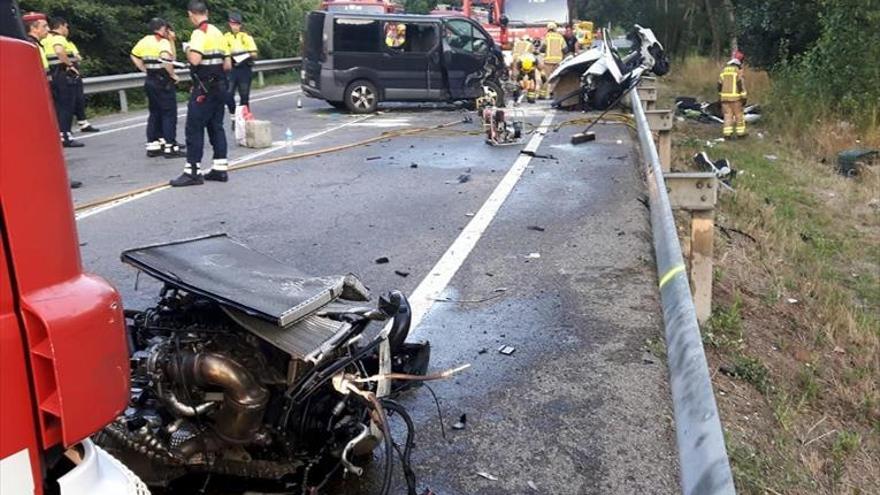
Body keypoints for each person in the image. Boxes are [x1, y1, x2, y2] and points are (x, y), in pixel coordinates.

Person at [170, 0, 232, 187]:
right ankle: (220, 169)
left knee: (194, 128)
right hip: (220, 87)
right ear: (207, 12)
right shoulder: (218, 33)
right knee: (216, 126)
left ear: (191, 14)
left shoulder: (199, 33)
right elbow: (227, 65)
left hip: (204, 89)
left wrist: (187, 48)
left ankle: (193, 172)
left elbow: (195, 60)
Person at [24, 12, 82, 188]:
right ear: (34, 28)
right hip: (41, 93)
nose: (48, 30)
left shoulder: (36, 45)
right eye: (44, 27)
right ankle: (54, 177)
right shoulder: (30, 46)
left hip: (46, 88)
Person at [131, 18, 186, 159]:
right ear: (163, 29)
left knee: (155, 112)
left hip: (150, 79)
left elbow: (134, 55)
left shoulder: (144, 40)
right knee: (169, 113)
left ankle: (153, 145)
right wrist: (172, 74)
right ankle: (170, 147)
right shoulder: (163, 42)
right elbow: (168, 58)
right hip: (163, 80)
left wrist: (144, 69)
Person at [42, 16, 83, 147]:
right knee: (66, 106)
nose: (67, 30)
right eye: (66, 27)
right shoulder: (59, 38)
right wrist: (70, 65)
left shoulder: (46, 40)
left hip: (53, 74)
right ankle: (65, 135)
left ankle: (61, 134)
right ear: (61, 26)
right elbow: (59, 51)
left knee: (59, 107)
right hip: (62, 74)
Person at [64, 26, 100, 133]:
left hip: (73, 73)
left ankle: (82, 122)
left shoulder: (68, 43)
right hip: (65, 72)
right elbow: (76, 57)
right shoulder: (57, 42)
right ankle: (66, 128)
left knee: (79, 99)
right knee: (68, 101)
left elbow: (78, 57)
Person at [224, 11, 258, 115]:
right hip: (232, 68)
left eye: (237, 24)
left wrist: (247, 54)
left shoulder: (246, 37)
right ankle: (234, 114)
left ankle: (245, 117)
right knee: (228, 95)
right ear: (229, 24)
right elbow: (225, 52)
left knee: (244, 95)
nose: (235, 27)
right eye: (233, 24)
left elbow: (254, 53)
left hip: (244, 67)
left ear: (240, 25)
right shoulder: (225, 37)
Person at [718, 57, 748, 138]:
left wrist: (720, 95)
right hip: (736, 98)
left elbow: (719, 84)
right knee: (739, 115)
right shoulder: (737, 71)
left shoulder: (723, 71)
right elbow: (740, 84)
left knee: (727, 115)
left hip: (724, 98)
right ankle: (740, 134)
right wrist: (744, 96)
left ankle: (727, 134)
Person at [539, 22, 566, 99]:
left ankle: (548, 95)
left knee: (548, 78)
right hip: (558, 61)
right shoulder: (560, 37)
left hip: (548, 61)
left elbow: (542, 49)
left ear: (548, 29)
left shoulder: (547, 37)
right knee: (556, 78)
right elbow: (565, 50)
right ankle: (555, 94)